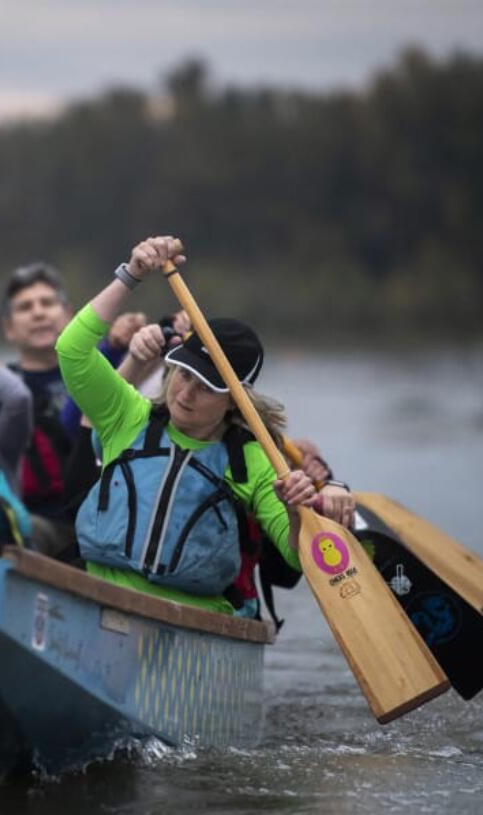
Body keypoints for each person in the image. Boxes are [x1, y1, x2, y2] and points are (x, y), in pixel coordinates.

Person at [57, 235, 317, 616]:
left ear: (235, 401)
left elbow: (298, 558)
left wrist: (297, 512)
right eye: (184, 373)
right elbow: (71, 350)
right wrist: (131, 275)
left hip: (195, 620)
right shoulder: (128, 415)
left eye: (207, 387)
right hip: (102, 594)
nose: (185, 393)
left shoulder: (251, 460)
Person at [0, 263, 76, 556]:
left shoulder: (103, 374)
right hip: (33, 527)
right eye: (25, 307)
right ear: (8, 327)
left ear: (68, 314)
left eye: (47, 303)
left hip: (103, 521)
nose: (38, 313)